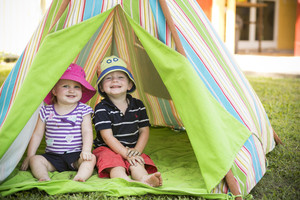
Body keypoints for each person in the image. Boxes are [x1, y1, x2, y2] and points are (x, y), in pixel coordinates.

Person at [93, 55, 162, 187]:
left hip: (130, 148)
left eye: (120, 77)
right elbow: (107, 137)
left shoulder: (138, 105)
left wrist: (136, 151)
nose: (114, 81)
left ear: (130, 84)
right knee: (114, 163)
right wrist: (125, 154)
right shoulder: (101, 108)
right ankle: (124, 180)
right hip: (107, 148)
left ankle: (144, 179)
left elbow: (144, 130)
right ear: (101, 87)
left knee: (137, 162)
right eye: (108, 78)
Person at [21, 63, 96, 182]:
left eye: (77, 87)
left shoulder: (83, 109)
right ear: (54, 91)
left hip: (75, 156)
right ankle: (43, 176)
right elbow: (37, 134)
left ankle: (80, 176)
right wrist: (30, 156)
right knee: (35, 160)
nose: (72, 90)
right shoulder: (46, 110)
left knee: (91, 158)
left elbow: (87, 131)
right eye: (66, 86)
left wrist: (86, 150)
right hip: (53, 157)